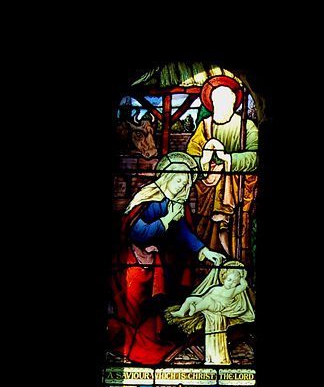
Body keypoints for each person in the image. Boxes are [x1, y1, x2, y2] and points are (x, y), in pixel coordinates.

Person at [107, 152, 224, 365]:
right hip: (133, 264)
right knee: (134, 309)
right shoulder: (150, 198)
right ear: (167, 178)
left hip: (156, 265)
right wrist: (167, 219)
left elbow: (182, 232)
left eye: (185, 183)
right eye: (178, 180)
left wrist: (204, 251)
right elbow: (137, 232)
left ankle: (151, 336)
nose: (182, 186)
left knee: (155, 306)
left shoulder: (176, 204)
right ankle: (133, 341)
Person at [186, 75, 258, 259]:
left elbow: (256, 156)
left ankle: (236, 271)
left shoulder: (246, 126)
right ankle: (206, 275)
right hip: (207, 196)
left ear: (234, 103)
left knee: (236, 233)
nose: (222, 104)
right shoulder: (205, 126)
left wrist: (229, 159)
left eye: (226, 100)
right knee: (206, 234)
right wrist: (204, 160)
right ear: (211, 103)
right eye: (217, 101)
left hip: (237, 194)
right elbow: (188, 158)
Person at [167, 261, 255, 365]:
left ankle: (195, 309)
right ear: (224, 278)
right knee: (191, 299)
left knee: (208, 300)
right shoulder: (215, 288)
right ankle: (181, 312)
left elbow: (244, 285)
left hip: (217, 306)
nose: (231, 283)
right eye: (229, 279)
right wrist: (197, 300)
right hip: (207, 302)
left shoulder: (234, 290)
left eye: (234, 281)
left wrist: (241, 277)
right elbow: (203, 297)